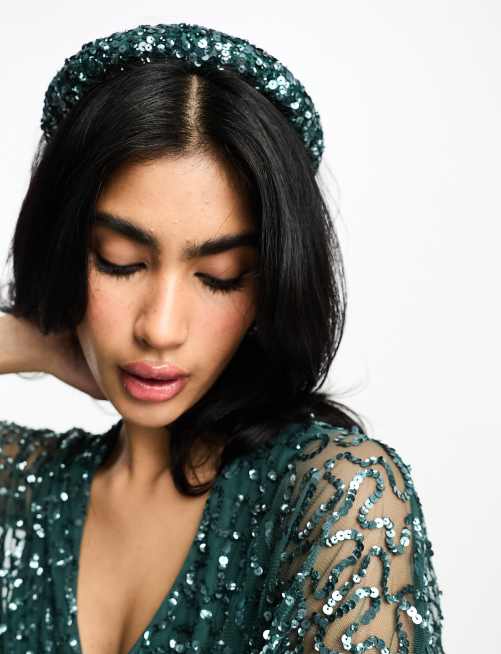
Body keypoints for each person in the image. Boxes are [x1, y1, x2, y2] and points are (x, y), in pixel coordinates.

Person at [0, 22, 445, 654]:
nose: (160, 328)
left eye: (219, 276)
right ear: (65, 248)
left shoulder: (339, 500)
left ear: (269, 286)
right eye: (120, 262)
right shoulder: (20, 489)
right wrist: (33, 339)